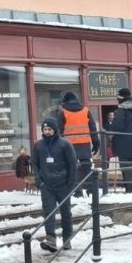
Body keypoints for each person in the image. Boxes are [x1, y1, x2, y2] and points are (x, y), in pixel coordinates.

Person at [31, 118, 78, 252]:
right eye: (45, 129)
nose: (47, 132)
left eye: (49, 129)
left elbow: (72, 164)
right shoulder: (38, 145)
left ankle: (67, 239)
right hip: (47, 185)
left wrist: (71, 184)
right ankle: (51, 239)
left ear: (55, 130)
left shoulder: (65, 144)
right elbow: (34, 162)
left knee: (66, 213)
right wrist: (39, 180)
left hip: (63, 184)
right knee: (48, 212)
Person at [56, 91, 98, 198]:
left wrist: (57, 146)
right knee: (87, 168)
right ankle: (92, 191)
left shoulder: (63, 113)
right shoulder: (86, 111)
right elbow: (92, 128)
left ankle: (77, 192)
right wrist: (96, 142)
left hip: (69, 145)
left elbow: (59, 131)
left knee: (71, 169)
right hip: (84, 143)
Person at [110, 87, 132, 193]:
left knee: (127, 169)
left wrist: (112, 125)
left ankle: (131, 191)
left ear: (121, 98)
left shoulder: (121, 111)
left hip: (123, 146)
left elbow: (117, 127)